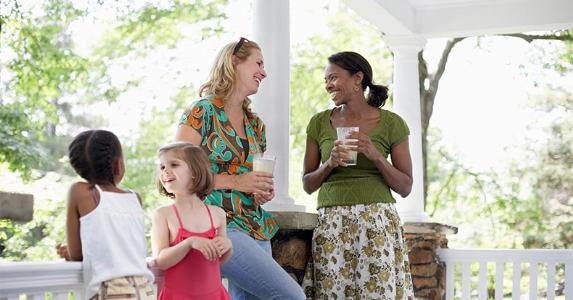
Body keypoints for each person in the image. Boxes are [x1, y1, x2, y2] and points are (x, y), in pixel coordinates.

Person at [175, 37, 305, 300]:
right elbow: (177, 175)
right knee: (293, 296)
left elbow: (252, 178)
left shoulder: (256, 125)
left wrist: (260, 190)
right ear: (234, 62)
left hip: (254, 224)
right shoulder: (202, 113)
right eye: (258, 63)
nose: (264, 72)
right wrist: (238, 182)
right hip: (218, 224)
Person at [301, 51, 415, 299]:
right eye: (325, 80)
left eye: (333, 77)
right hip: (331, 222)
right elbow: (308, 184)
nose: (328, 85)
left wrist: (375, 155)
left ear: (357, 78)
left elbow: (405, 186)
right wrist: (329, 163)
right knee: (332, 294)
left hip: (377, 221)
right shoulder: (319, 123)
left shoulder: (392, 123)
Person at [63, 129, 155, 300]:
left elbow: (76, 254)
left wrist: (70, 252)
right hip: (145, 289)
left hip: (112, 290)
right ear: (118, 164)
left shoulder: (80, 192)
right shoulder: (135, 198)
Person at [151, 142, 232, 299]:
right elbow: (161, 261)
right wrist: (189, 243)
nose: (165, 171)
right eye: (162, 167)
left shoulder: (217, 214)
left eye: (173, 164)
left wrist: (228, 247)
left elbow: (219, 260)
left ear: (195, 171)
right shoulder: (163, 215)